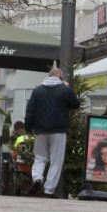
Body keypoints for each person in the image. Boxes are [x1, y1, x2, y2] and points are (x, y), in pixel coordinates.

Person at [24, 67, 80, 198]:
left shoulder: (37, 91)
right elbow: (75, 104)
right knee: (56, 160)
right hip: (59, 130)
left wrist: (28, 128)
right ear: (60, 77)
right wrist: (68, 88)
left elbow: (30, 110)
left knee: (40, 157)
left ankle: (37, 178)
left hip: (41, 130)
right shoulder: (65, 90)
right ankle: (48, 190)